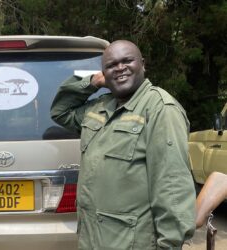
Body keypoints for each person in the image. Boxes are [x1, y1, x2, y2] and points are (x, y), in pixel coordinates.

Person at [51, 40, 196, 249]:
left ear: (143, 64)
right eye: (111, 65)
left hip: (131, 243)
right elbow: (60, 112)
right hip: (92, 240)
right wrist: (92, 82)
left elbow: (172, 187)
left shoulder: (160, 109)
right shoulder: (99, 107)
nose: (120, 68)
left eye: (127, 61)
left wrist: (170, 244)